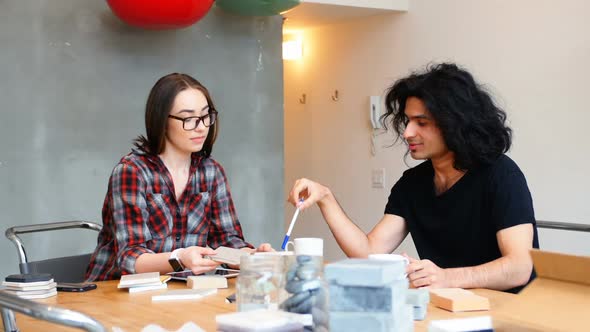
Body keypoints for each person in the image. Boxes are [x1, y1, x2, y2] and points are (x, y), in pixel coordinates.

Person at [288, 63, 539, 293]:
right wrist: (325, 197)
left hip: (507, 311)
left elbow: (519, 267)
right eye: (408, 121)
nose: (408, 132)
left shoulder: (501, 175)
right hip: (448, 307)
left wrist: (445, 277)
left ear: (455, 123)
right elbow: (368, 252)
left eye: (422, 122)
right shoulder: (413, 183)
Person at [86, 73, 271, 281]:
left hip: (176, 291)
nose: (201, 127)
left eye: (205, 116)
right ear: (162, 121)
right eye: (189, 119)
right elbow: (131, 257)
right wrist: (179, 258)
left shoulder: (211, 172)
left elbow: (227, 242)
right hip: (113, 292)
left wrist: (254, 257)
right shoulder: (132, 171)